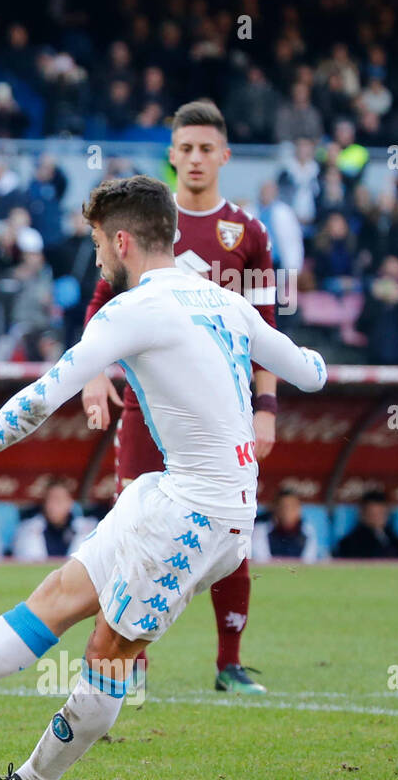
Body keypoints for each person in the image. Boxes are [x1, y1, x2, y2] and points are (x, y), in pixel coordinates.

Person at [0, 174, 327, 780]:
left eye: (94, 245)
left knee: (108, 652)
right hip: (178, 495)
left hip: (196, 514)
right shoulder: (220, 300)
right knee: (55, 595)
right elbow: (307, 371)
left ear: (121, 241)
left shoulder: (132, 309)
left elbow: (42, 396)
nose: (95, 258)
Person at [80, 100, 279, 695]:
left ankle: (229, 662)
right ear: (171, 155)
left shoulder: (248, 233)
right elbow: (100, 304)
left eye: (204, 148)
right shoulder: (148, 222)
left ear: (224, 155)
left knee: (231, 528)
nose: (194, 158)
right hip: (147, 408)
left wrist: (266, 410)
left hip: (224, 413)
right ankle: (129, 665)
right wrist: (95, 374)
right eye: (184, 148)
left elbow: (266, 327)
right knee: (133, 525)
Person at [13, 479, 96, 560]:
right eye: (51, 499)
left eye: (59, 500)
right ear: (44, 503)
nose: (54, 505)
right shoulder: (27, 528)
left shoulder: (88, 528)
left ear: (70, 502)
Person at [334, 490, 398, 559]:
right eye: (372, 514)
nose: (377, 518)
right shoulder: (351, 541)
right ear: (363, 514)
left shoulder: (392, 536)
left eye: (381, 513)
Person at [251, 486, 319, 562]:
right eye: (284, 507)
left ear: (299, 509)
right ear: (276, 509)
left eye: (293, 507)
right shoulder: (261, 529)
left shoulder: (307, 531)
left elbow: (308, 561)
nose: (287, 512)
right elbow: (261, 560)